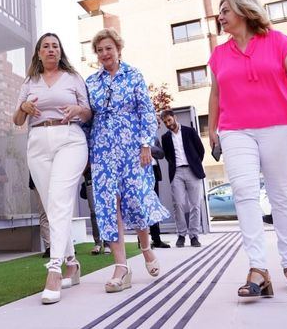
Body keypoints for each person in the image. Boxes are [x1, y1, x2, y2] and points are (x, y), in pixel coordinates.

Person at [208, 0, 287, 297]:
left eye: (226, 11)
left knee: (281, 195)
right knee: (244, 194)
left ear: (244, 12)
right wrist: (212, 128)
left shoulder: (277, 41)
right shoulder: (219, 54)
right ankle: (258, 268)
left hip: (278, 126)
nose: (221, 16)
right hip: (235, 130)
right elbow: (215, 95)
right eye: (220, 12)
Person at [86, 28, 170, 293]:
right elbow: (88, 119)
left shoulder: (133, 75)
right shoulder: (91, 81)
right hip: (102, 151)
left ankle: (146, 248)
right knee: (109, 206)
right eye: (99, 50)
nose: (104, 54)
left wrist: (146, 143)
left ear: (118, 49)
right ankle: (121, 267)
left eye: (108, 48)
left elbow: (146, 111)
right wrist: (87, 153)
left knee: (136, 200)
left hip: (132, 149)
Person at [13, 32, 91, 305]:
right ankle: (72, 264)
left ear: (60, 51)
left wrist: (77, 110)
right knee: (51, 206)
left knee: (58, 201)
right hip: (37, 143)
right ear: (38, 53)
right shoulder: (30, 82)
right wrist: (23, 106)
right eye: (45, 46)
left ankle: (55, 270)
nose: (50, 50)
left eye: (55, 46)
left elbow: (88, 111)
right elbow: (17, 118)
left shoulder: (73, 78)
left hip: (69, 139)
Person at [160, 109, 206, 248]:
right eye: (165, 122)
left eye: (169, 120)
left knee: (195, 205)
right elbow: (168, 156)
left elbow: (200, 150)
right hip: (177, 173)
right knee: (178, 204)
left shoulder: (190, 131)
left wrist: (195, 163)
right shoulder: (165, 138)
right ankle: (181, 234)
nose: (168, 124)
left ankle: (194, 236)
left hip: (192, 170)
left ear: (175, 117)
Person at [82, 165, 111, 255]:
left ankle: (107, 244)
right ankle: (97, 243)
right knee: (94, 212)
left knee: (105, 211)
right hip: (90, 177)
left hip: (105, 176)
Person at [149, 137, 171, 249]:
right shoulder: (137, 133)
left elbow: (161, 154)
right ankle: (141, 239)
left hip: (154, 171)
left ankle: (156, 239)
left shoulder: (154, 138)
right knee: (142, 205)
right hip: (141, 171)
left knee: (154, 205)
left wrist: (148, 148)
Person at [29, 174, 51, 257]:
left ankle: (63, 245)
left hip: (52, 180)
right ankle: (49, 247)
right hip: (39, 181)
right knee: (44, 213)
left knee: (56, 212)